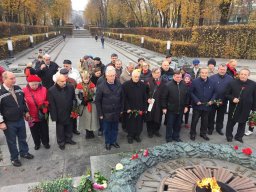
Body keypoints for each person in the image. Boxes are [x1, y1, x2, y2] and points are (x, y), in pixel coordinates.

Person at [0, 71, 34, 167]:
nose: (14, 80)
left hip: (20, 119)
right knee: (12, 141)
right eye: (11, 79)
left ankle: (24, 152)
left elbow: (23, 102)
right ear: (4, 79)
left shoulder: (18, 89)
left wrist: (26, 112)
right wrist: (1, 122)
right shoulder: (0, 92)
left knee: (22, 138)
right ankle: (14, 158)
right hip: (9, 122)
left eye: (14, 78)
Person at [96, 66, 123, 150]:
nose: (112, 77)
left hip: (116, 111)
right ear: (106, 76)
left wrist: (121, 109)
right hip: (106, 112)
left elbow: (122, 98)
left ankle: (114, 141)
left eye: (113, 75)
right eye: (110, 76)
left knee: (115, 128)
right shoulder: (101, 86)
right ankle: (107, 142)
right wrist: (100, 114)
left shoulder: (119, 84)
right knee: (107, 129)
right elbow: (97, 101)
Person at [225, 69, 256, 143]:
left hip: (246, 107)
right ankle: (229, 136)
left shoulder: (253, 84)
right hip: (234, 106)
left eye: (245, 74)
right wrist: (232, 98)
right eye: (241, 74)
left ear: (248, 75)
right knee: (231, 122)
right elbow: (226, 94)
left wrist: (254, 109)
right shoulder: (232, 83)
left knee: (242, 123)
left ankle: (239, 136)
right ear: (239, 74)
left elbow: (255, 96)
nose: (243, 76)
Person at [48, 74, 76, 150]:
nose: (64, 83)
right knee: (60, 129)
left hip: (69, 111)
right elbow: (51, 105)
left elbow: (74, 98)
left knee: (69, 126)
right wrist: (54, 117)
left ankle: (68, 139)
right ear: (57, 81)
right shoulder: (51, 90)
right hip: (59, 113)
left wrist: (74, 110)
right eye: (62, 81)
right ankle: (61, 142)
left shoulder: (70, 87)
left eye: (65, 81)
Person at [23, 75, 50, 150]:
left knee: (44, 129)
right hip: (31, 115)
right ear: (28, 83)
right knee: (34, 131)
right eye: (32, 85)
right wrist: (26, 113)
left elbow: (48, 99)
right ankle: (37, 143)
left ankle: (46, 142)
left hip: (42, 113)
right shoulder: (24, 90)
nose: (34, 86)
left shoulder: (44, 89)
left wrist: (45, 105)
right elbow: (22, 103)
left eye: (36, 84)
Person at [190, 67, 216, 141]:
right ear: (200, 73)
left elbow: (215, 93)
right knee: (194, 120)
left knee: (205, 121)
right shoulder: (195, 81)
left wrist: (212, 100)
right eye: (202, 73)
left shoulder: (212, 82)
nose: (204, 74)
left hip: (207, 105)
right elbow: (191, 92)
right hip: (197, 105)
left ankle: (203, 133)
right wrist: (196, 100)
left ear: (208, 73)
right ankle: (192, 133)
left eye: (205, 73)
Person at [162, 71, 189, 142]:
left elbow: (187, 97)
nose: (179, 78)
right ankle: (168, 138)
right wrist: (164, 107)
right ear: (173, 77)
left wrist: (186, 106)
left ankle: (176, 136)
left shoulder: (184, 85)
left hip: (181, 108)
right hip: (171, 109)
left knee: (178, 124)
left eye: (180, 77)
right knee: (170, 124)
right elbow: (164, 97)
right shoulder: (168, 85)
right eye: (177, 77)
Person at [208, 64, 233, 135]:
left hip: (223, 101)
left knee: (221, 116)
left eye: (224, 70)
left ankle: (219, 129)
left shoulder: (230, 78)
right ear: (218, 69)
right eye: (221, 69)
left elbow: (231, 90)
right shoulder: (212, 78)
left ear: (226, 70)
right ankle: (210, 128)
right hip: (213, 100)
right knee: (211, 116)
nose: (222, 71)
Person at [123, 69, 147, 144]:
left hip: (139, 108)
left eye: (138, 77)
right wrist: (127, 108)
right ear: (132, 76)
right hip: (130, 108)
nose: (137, 78)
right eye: (135, 77)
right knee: (130, 123)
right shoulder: (126, 85)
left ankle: (137, 135)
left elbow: (144, 97)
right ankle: (130, 136)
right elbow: (124, 98)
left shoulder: (143, 85)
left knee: (139, 123)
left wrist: (144, 108)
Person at [76, 71, 98, 139]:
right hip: (83, 106)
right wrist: (80, 101)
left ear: (89, 78)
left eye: (87, 79)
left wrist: (92, 99)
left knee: (92, 119)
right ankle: (87, 132)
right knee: (85, 119)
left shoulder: (92, 85)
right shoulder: (79, 85)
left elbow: (96, 94)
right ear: (82, 79)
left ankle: (91, 131)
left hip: (91, 105)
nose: (86, 80)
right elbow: (76, 95)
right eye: (84, 79)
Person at [146, 67, 166, 138]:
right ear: (152, 73)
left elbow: (165, 93)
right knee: (150, 117)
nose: (158, 74)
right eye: (156, 73)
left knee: (158, 117)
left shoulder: (164, 81)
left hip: (159, 103)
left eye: (159, 73)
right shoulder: (148, 81)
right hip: (150, 103)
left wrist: (164, 106)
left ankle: (156, 130)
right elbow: (144, 92)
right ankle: (150, 131)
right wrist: (147, 99)